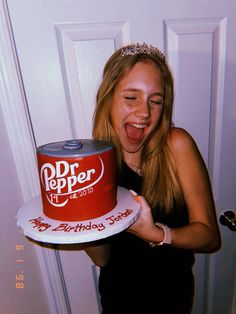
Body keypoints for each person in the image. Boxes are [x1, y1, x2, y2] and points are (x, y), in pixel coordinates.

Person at [85, 43, 221, 314]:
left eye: (155, 100)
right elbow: (102, 258)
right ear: (108, 98)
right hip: (117, 299)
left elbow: (209, 237)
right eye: (131, 97)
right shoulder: (94, 165)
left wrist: (158, 234)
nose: (145, 112)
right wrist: (83, 222)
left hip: (172, 297)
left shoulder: (176, 145)